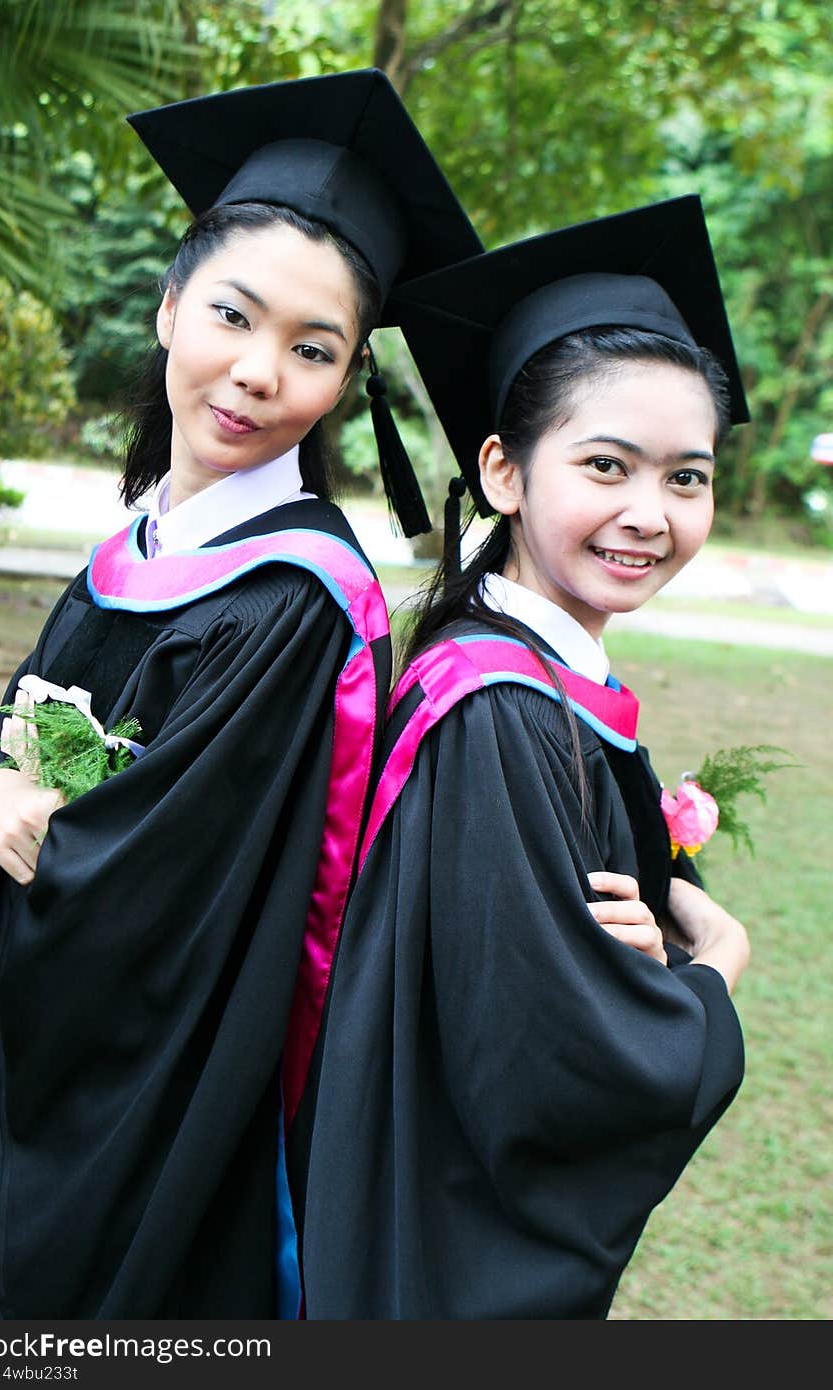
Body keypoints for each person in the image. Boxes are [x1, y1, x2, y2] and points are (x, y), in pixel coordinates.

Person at [0, 68, 481, 1319]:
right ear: (168, 305)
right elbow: (21, 730)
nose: (256, 372)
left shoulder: (293, 599)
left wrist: (14, 824)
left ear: (346, 380)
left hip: (153, 1102)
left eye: (311, 350)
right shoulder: (138, 545)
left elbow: (147, 896)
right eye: (233, 318)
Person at [301, 196, 751, 1319]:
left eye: (686, 478)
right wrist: (709, 974)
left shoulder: (535, 678)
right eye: (607, 466)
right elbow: (547, 1071)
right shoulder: (495, 706)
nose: (650, 512)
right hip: (437, 1247)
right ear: (503, 471)